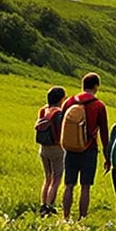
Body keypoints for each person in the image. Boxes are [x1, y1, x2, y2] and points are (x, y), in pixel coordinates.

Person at [58, 74, 110, 220]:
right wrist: (107, 157)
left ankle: (65, 217)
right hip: (89, 148)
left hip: (70, 149)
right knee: (85, 186)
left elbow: (63, 125)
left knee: (69, 185)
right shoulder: (99, 105)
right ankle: (82, 219)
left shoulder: (69, 102)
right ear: (96, 86)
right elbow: (104, 133)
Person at [34, 84, 69, 217]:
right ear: (61, 99)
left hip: (43, 148)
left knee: (47, 177)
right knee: (56, 178)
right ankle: (50, 206)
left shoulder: (43, 110)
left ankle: (43, 204)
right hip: (57, 148)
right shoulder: (58, 113)